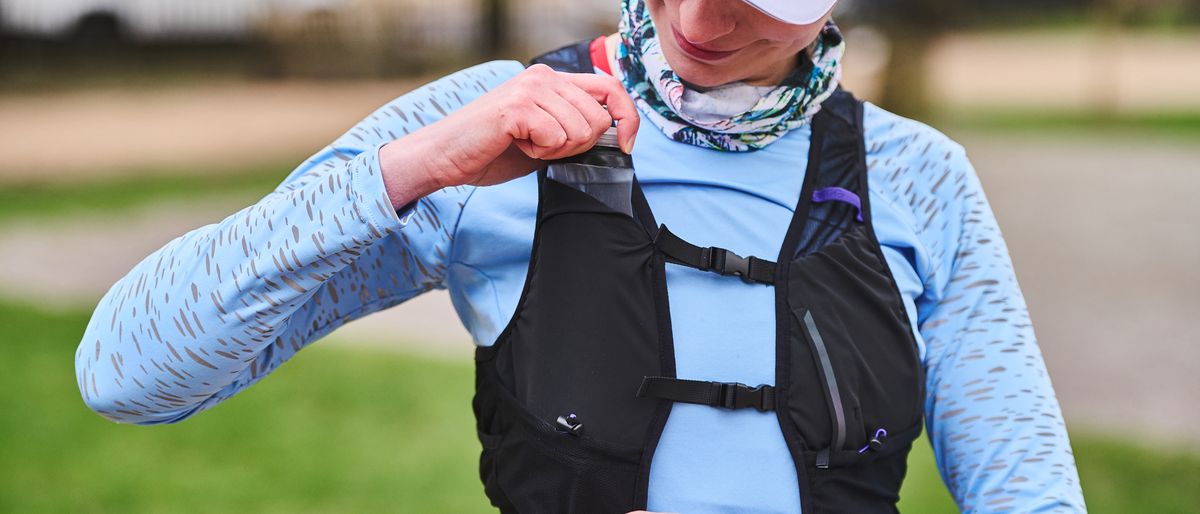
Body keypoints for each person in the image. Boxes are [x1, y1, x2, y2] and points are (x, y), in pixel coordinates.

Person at [74, 0, 1087, 512]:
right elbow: (126, 371)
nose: (698, 20)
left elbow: (1031, 493)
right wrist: (414, 166)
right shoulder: (485, 124)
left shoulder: (919, 180)